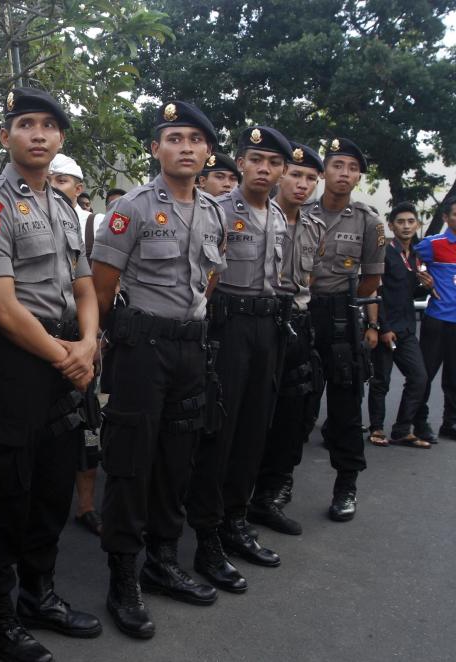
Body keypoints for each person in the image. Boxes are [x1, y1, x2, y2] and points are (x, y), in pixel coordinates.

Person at [0, 87, 101, 662]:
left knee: (51, 485)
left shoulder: (65, 206)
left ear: (61, 139)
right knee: (8, 493)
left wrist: (90, 345)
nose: (38, 134)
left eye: (49, 125)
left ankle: (38, 596)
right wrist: (64, 355)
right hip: (19, 362)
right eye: (26, 124)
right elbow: (0, 307)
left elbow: (85, 286)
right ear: (5, 137)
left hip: (67, 358)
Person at [91, 100, 225, 639]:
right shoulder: (134, 208)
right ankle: (123, 575)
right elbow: (102, 284)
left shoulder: (214, 211)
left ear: (208, 151)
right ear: (156, 149)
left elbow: (208, 280)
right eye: (174, 138)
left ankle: (163, 561)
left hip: (191, 349)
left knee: (178, 456)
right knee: (130, 461)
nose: (185, 147)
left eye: (195, 139)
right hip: (142, 348)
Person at [186, 125, 291, 589]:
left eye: (273, 163)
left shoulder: (281, 218)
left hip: (268, 325)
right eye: (255, 159)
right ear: (240, 164)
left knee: (253, 430)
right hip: (226, 325)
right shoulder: (216, 210)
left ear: (283, 171)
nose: (263, 169)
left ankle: (235, 522)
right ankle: (207, 537)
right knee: (220, 433)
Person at [303, 137, 385, 521]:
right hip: (300, 313)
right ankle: (275, 485)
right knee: (292, 403)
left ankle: (346, 485)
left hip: (339, 318)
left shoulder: (368, 221)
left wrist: (340, 299)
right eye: (338, 165)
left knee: (345, 407)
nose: (344, 174)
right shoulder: (297, 211)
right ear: (324, 172)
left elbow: (370, 282)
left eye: (352, 168)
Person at [249, 142, 326, 536]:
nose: (302, 184)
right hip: (259, 322)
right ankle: (235, 498)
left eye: (311, 178)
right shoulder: (260, 216)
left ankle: (269, 496)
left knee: (292, 417)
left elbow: (307, 284)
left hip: (297, 324)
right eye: (296, 174)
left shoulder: (315, 227)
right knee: (250, 416)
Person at [48, 152, 102, 536]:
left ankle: (86, 506)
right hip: (42, 339)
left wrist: (91, 341)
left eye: (62, 180)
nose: (55, 186)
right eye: (51, 179)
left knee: (87, 423)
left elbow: (99, 288)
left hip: (83, 339)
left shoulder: (90, 225)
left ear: (79, 187)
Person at [366, 202, 433, 448]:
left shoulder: (415, 255)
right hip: (386, 327)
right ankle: (376, 428)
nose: (406, 226)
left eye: (410, 222)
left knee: (419, 377)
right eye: (401, 222)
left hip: (406, 329)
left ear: (417, 225)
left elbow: (407, 292)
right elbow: (376, 291)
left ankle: (403, 429)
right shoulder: (384, 252)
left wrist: (423, 286)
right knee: (381, 381)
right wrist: (381, 327)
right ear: (392, 225)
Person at [414, 198, 456, 441]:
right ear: (445, 218)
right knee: (425, 374)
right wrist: (423, 277)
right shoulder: (433, 244)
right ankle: (420, 422)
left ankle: (450, 423)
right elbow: (410, 260)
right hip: (438, 319)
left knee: (454, 376)